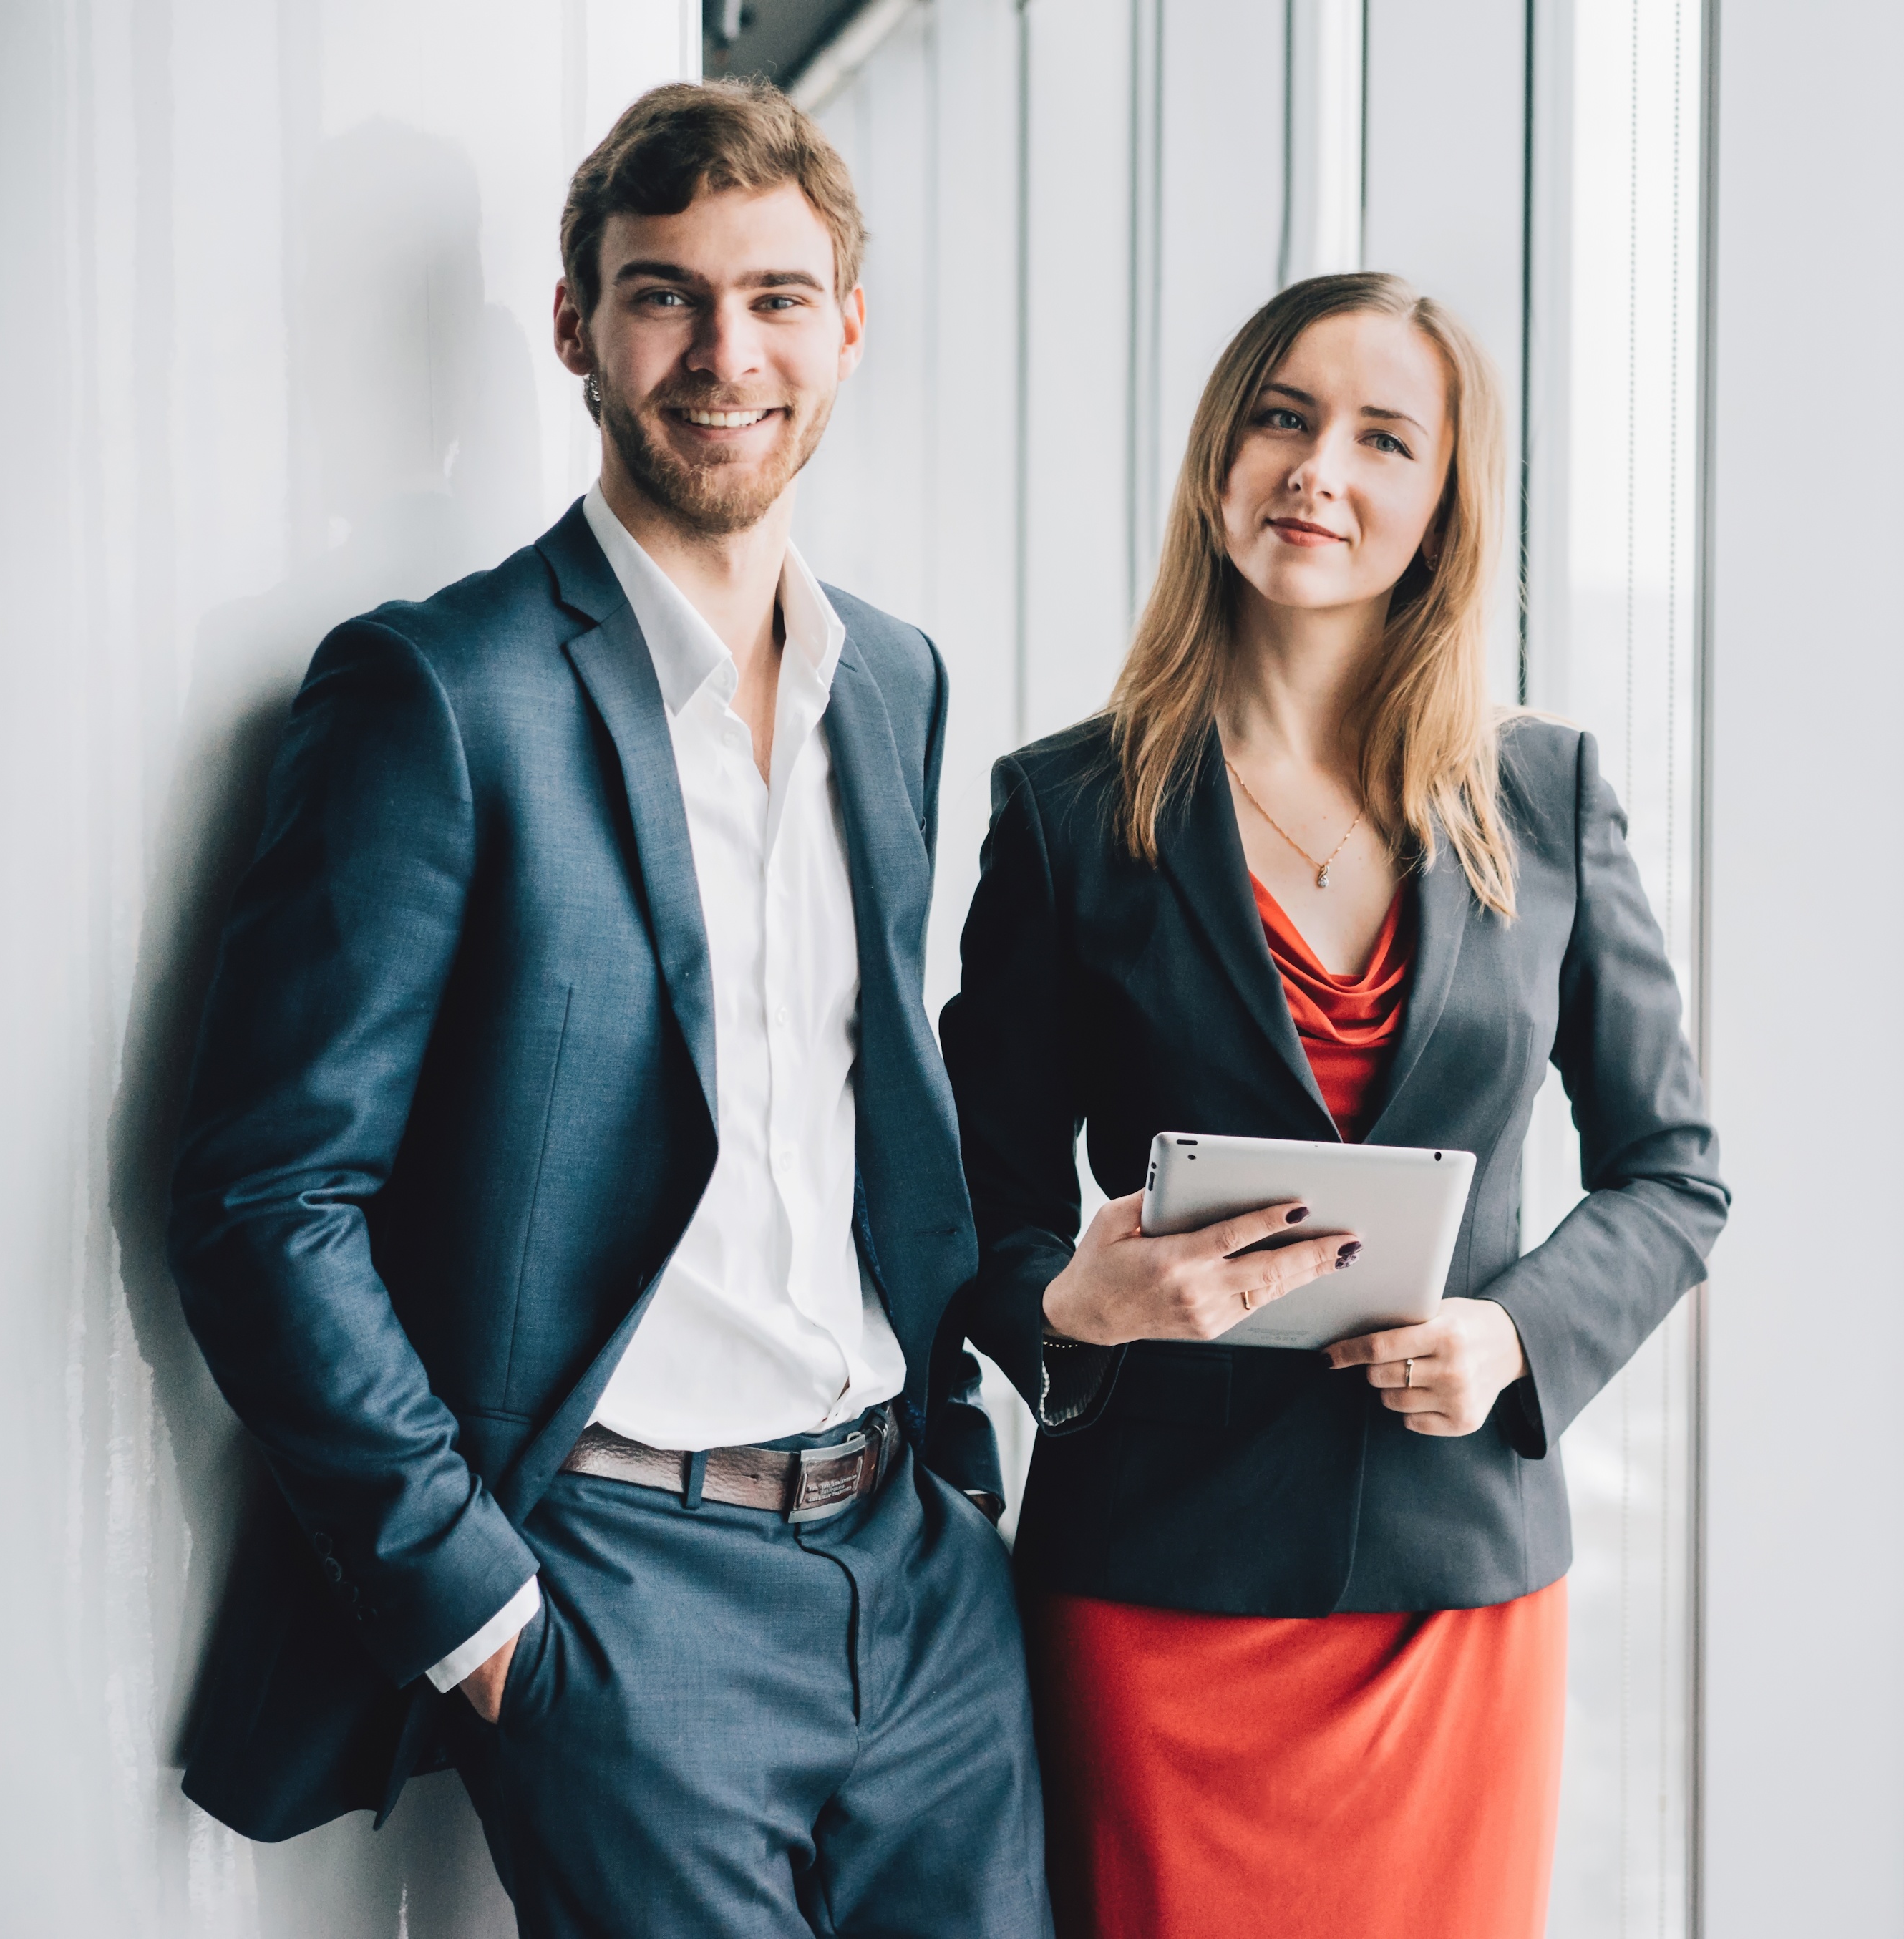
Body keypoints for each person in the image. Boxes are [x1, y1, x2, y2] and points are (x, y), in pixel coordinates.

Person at [167, 80, 1048, 1938]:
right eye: (664, 295)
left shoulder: (889, 679)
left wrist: (958, 1472)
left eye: (776, 295)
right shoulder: (437, 696)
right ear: (576, 326)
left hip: (919, 1572)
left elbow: (877, 1104)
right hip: (621, 1594)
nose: (725, 353)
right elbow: (266, 1195)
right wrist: (481, 1613)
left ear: (848, 325)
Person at [943, 271, 1730, 1938]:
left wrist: (1515, 1337)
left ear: (1444, 499)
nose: (1321, 470)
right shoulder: (1067, 812)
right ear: (1220, 456)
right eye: (1285, 417)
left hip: (1455, 1588)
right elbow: (960, 1209)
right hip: (1154, 1593)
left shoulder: (1549, 794)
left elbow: (1674, 1176)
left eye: (1385, 437)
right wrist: (1069, 1300)